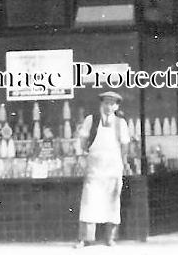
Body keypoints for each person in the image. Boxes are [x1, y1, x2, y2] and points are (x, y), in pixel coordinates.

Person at [75, 91, 130, 248]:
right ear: (101, 104)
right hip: (94, 168)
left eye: (112, 103)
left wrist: (124, 162)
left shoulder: (121, 123)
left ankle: (110, 238)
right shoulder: (91, 120)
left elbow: (125, 144)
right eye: (105, 103)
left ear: (116, 106)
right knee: (89, 202)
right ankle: (85, 239)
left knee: (112, 203)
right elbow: (83, 140)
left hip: (113, 167)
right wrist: (83, 156)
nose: (108, 106)